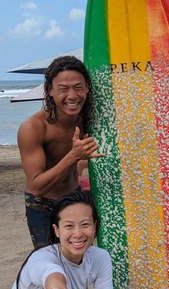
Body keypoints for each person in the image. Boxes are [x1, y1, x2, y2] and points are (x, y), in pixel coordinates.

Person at [18, 56, 104, 248]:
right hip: (42, 204)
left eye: (78, 87)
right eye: (63, 89)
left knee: (79, 258)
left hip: (74, 197)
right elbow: (38, 187)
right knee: (50, 263)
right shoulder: (33, 128)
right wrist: (74, 156)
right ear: (50, 91)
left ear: (88, 88)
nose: (72, 95)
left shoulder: (88, 120)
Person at [1, 191, 115, 289]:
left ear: (94, 226)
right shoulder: (41, 257)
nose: (78, 234)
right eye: (69, 226)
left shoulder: (100, 257)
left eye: (85, 224)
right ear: (57, 230)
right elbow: (49, 271)